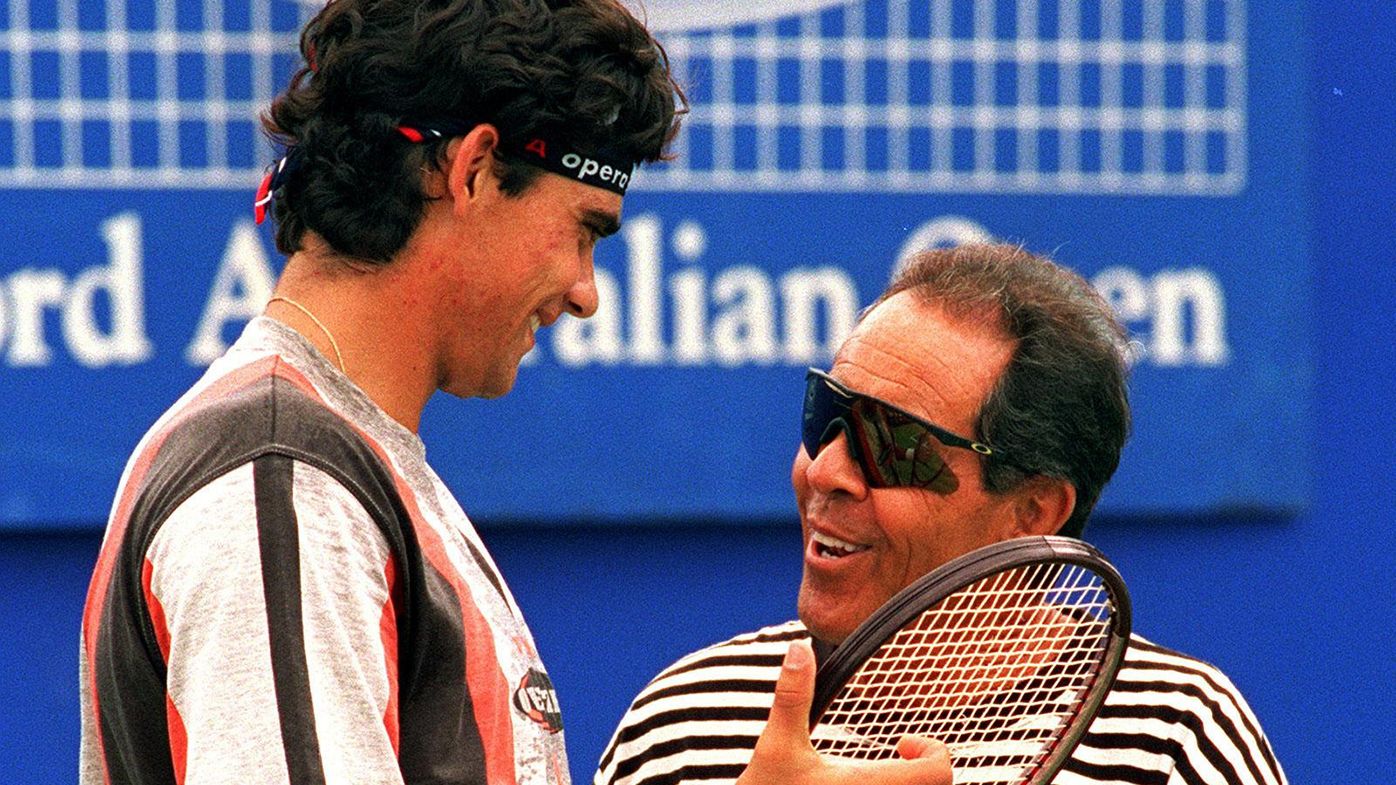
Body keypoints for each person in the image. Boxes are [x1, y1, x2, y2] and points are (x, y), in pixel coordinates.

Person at [78, 2, 950, 784]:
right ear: (475, 171)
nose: (585, 290)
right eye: (583, 231)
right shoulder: (284, 473)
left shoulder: (329, 459)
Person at [596, 244, 1289, 785]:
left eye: (890, 443)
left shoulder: (1176, 739)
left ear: (1032, 510)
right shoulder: (682, 720)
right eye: (826, 415)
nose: (827, 471)